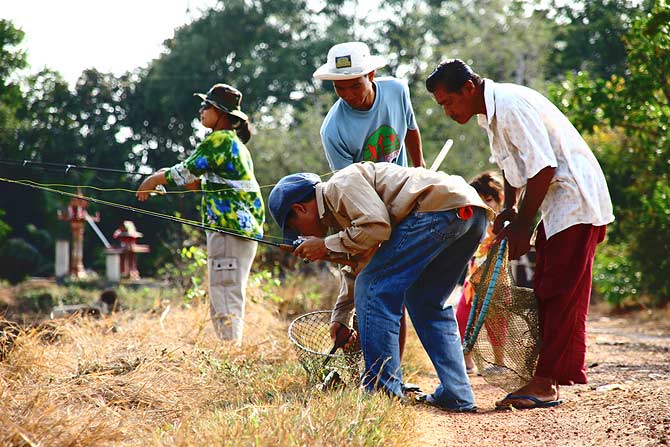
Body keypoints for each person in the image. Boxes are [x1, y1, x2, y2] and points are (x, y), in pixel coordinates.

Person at [426, 59, 614, 409]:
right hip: (557, 206)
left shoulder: (510, 104)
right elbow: (511, 167)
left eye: (449, 102)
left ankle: (546, 383)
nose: (448, 112)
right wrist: (510, 209)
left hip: (576, 199)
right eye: (442, 106)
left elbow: (543, 167)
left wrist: (523, 226)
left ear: (469, 88)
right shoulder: (490, 113)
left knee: (559, 290)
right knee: (546, 287)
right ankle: (545, 378)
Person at [268, 162, 495, 411]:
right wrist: (342, 316)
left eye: (293, 227)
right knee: (425, 302)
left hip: (439, 211)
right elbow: (364, 264)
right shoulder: (340, 211)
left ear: (300, 208)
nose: (297, 234)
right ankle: (457, 394)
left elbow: (376, 228)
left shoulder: (339, 186)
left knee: (375, 288)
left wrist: (325, 244)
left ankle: (382, 391)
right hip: (471, 214)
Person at [314, 41, 425, 379]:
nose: (347, 93)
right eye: (339, 86)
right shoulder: (333, 129)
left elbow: (410, 131)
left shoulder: (397, 90)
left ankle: (394, 372)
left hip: (408, 197)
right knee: (372, 284)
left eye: (354, 84)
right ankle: (377, 372)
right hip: (369, 211)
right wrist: (368, 239)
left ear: (371, 75)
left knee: (400, 293)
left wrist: (420, 171)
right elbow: (349, 188)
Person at [136, 83, 265, 345]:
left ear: (220, 112)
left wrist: (152, 180)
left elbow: (185, 172)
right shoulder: (235, 144)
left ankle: (229, 352)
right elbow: (196, 181)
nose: (201, 110)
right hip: (241, 231)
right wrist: (166, 177)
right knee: (229, 290)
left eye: (206, 106)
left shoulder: (218, 140)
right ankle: (231, 349)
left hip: (228, 230)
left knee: (224, 292)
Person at [455, 171, 506, 374]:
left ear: (499, 199)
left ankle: (499, 361)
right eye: (479, 199)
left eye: (489, 199)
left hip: (496, 280)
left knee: (497, 321)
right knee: (463, 317)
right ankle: (467, 360)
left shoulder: (502, 225)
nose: (485, 204)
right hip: (472, 281)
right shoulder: (472, 222)